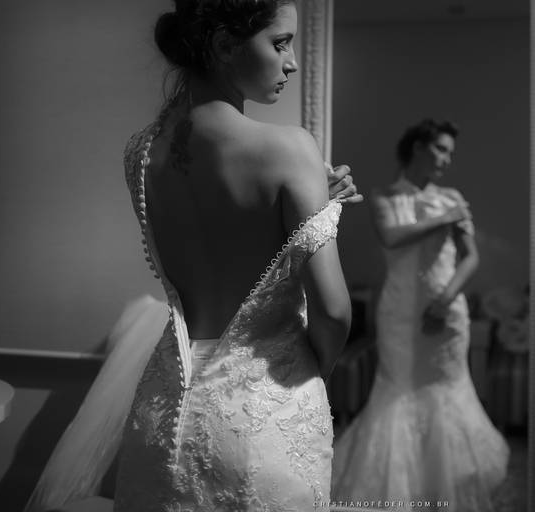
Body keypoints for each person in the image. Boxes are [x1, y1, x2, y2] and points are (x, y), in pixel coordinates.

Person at [25, 1, 361, 511]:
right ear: (224, 45)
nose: (291, 62)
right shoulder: (290, 148)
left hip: (163, 415)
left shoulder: (141, 154)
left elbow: (217, 231)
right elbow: (334, 311)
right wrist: (311, 376)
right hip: (263, 418)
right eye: (280, 43)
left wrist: (316, 197)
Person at [330, 119, 510, 511]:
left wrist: (445, 300)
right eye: (441, 149)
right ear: (418, 147)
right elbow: (391, 237)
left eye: (450, 153)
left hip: (447, 309)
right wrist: (445, 217)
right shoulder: (384, 197)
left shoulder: (452, 197)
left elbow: (471, 258)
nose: (446, 159)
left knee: (447, 390)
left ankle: (446, 492)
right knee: (397, 390)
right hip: (399, 314)